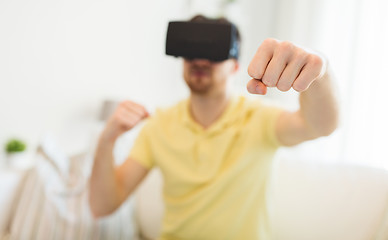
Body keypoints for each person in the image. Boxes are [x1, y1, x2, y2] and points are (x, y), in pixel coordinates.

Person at [89, 15, 338, 240]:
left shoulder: (259, 117)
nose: (199, 59)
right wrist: (107, 138)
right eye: (190, 49)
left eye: (213, 50)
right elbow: (102, 206)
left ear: (236, 66)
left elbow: (320, 126)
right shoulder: (158, 124)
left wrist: (319, 69)